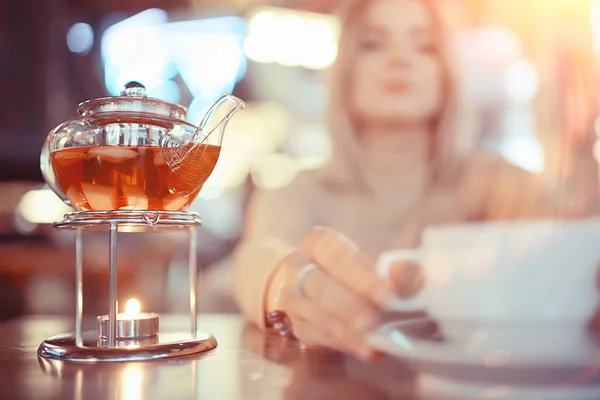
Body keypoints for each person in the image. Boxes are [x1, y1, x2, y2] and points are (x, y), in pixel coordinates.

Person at [232, 0, 589, 362]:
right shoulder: (299, 194)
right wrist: (282, 284)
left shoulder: (496, 182)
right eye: (373, 43)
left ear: (446, 74)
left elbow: (577, 236)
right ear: (346, 71)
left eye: (424, 46)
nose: (399, 59)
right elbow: (257, 256)